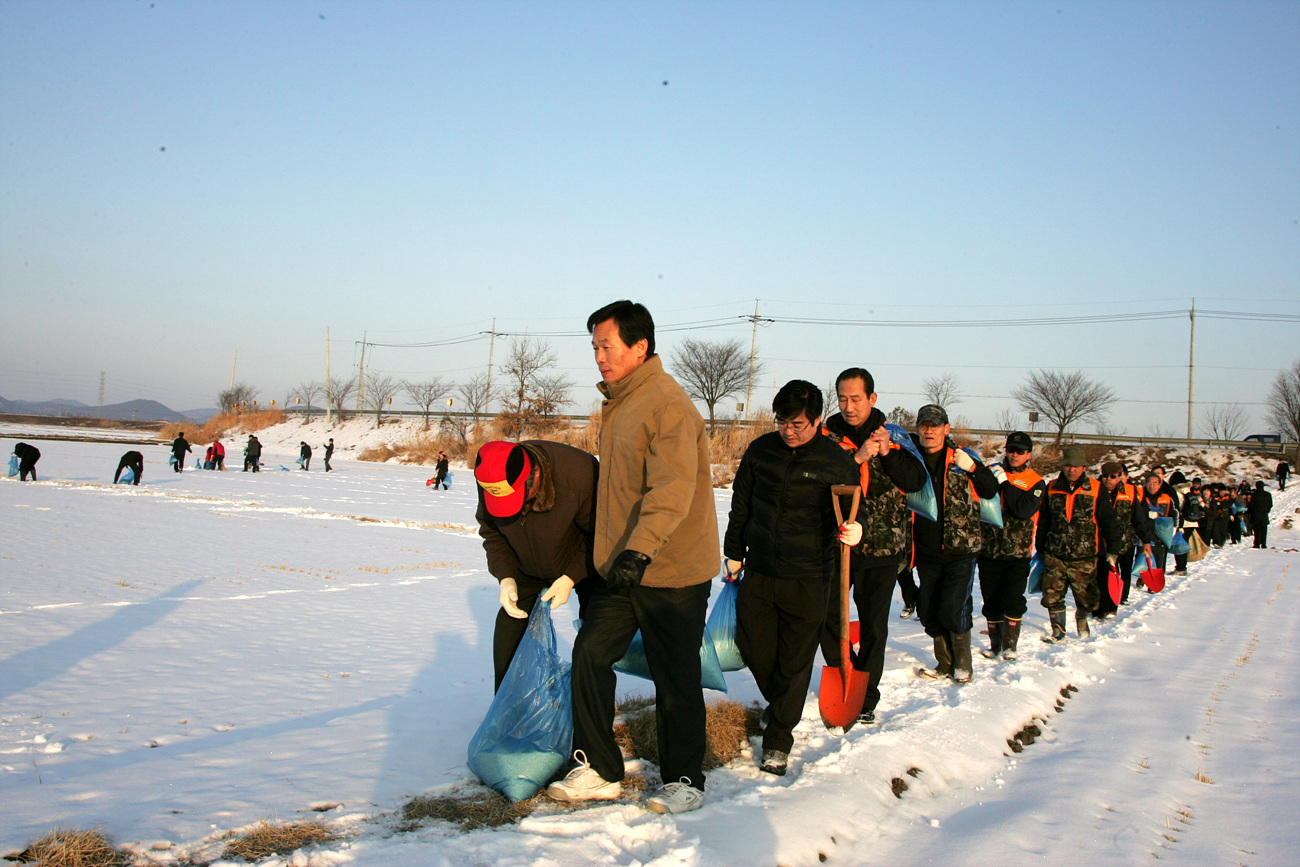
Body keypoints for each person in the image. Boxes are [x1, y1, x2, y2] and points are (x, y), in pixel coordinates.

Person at [547, 300, 718, 816]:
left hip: (671, 569)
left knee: (675, 678)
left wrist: (640, 550)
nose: (598, 357)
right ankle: (600, 768)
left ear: (639, 347)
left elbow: (671, 488)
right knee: (591, 655)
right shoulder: (622, 401)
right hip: (623, 566)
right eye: (594, 347)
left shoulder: (666, 403)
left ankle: (685, 779)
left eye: (607, 346)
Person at [725, 380, 861, 774]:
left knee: (796, 658)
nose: (788, 431)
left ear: (817, 420)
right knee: (752, 643)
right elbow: (741, 503)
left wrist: (857, 530)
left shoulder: (835, 461)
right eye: (783, 422)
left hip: (810, 574)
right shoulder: (761, 450)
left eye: (798, 424)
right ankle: (783, 703)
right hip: (762, 568)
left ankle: (779, 738)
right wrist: (734, 551)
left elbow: (855, 510)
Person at [816, 367, 927, 725]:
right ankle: (844, 669)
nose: (849, 407)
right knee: (827, 619)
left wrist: (887, 453)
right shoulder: (825, 437)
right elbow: (818, 482)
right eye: (843, 399)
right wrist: (858, 457)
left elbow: (915, 481)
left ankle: (866, 695)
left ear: (872, 399)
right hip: (836, 547)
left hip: (882, 549)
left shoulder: (894, 436)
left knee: (875, 627)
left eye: (856, 399)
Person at [473, 439, 599, 691]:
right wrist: (506, 576)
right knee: (509, 631)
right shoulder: (491, 474)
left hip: (583, 561)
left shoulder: (580, 473)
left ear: (537, 473)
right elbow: (491, 531)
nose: (517, 507)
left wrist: (571, 577)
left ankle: (587, 718)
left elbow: (600, 534)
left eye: (521, 496)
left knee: (594, 645)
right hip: (526, 565)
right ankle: (510, 713)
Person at [910, 404, 999, 683]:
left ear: (946, 429)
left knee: (954, 606)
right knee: (928, 609)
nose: (929, 431)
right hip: (926, 550)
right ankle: (944, 662)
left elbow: (990, 489)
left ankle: (963, 662)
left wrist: (972, 468)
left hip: (961, 548)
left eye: (935, 426)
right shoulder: (913, 461)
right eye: (924, 425)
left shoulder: (963, 457)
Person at [1035, 446, 1123, 641]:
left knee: (1088, 599)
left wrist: (1113, 551)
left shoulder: (1096, 489)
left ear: (1084, 467)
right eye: (1068, 466)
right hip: (1055, 554)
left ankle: (1082, 619)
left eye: (1076, 466)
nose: (1071, 470)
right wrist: (1041, 548)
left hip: (1085, 556)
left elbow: (1109, 521)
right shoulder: (1051, 487)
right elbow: (1044, 521)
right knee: (1052, 595)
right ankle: (1058, 630)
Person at [977, 432, 1047, 659]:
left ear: (1029, 454)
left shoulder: (1035, 481)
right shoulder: (992, 471)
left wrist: (1006, 483)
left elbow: (1023, 509)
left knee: (1013, 600)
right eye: (1011, 450)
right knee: (991, 600)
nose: (1014, 455)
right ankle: (995, 644)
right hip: (989, 550)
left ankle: (1010, 645)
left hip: (1017, 553)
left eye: (1020, 451)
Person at [1093, 462, 1148, 617]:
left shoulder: (1130, 492)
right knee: (1102, 574)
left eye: (1113, 477)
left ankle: (1117, 601)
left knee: (1121, 572)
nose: (1108, 480)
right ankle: (1101, 608)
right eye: (1105, 476)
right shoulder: (1093, 489)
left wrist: (1146, 540)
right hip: (1100, 541)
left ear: (1120, 477)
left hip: (1125, 541)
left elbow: (1139, 518)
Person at [1136, 471, 1178, 586]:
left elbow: (1174, 514)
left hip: (1160, 534)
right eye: (1149, 482)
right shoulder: (1139, 497)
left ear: (1160, 485)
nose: (1152, 485)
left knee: (1159, 559)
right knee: (1143, 557)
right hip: (1144, 533)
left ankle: (1154, 583)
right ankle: (1142, 578)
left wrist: (1174, 528)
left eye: (1155, 483)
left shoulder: (1166, 498)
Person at [1248, 481, 1273, 548]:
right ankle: (1263, 544)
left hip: (1256, 514)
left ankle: (1257, 543)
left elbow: (1251, 505)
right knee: (1264, 530)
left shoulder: (1254, 495)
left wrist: (1250, 511)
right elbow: (1270, 505)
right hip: (1264, 514)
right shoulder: (1268, 494)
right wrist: (1266, 511)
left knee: (1257, 530)